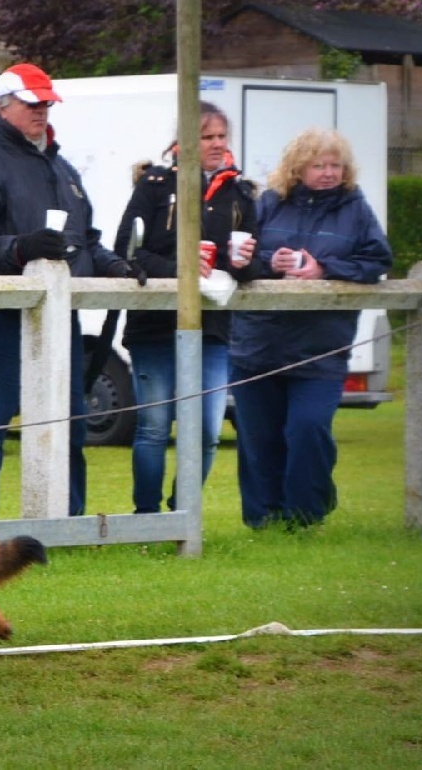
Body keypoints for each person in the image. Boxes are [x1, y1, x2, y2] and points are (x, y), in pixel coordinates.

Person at [0, 63, 144, 521]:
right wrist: (21, 250)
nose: (42, 110)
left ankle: (68, 520)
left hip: (61, 319)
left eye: (46, 103)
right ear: (3, 107)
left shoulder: (65, 170)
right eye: (32, 103)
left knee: (70, 422)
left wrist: (115, 264)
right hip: (3, 316)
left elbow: (86, 240)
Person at [229, 127, 393, 529]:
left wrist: (326, 269)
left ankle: (305, 515)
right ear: (298, 168)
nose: (328, 172)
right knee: (258, 438)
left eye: (335, 165)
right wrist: (272, 263)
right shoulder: (268, 203)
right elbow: (240, 256)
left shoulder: (355, 209)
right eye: (318, 165)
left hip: (321, 346)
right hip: (257, 342)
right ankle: (263, 519)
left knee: (308, 429)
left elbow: (378, 260)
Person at [113, 101, 261, 514]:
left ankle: (184, 513)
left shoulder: (241, 192)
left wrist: (244, 262)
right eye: (206, 137)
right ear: (185, 141)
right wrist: (178, 268)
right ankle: (146, 516)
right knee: (155, 427)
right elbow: (126, 251)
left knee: (209, 431)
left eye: (221, 137)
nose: (216, 145)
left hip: (212, 329)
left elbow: (255, 260)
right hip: (153, 326)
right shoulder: (155, 184)